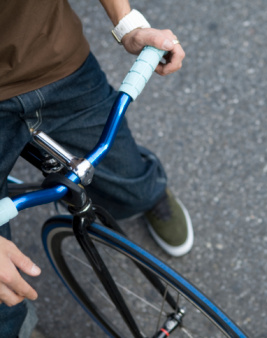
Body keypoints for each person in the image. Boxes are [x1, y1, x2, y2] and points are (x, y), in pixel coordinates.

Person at [0, 0, 193, 336]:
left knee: (128, 181)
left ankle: (144, 195)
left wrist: (126, 22)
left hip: (56, 63)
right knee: (4, 296)